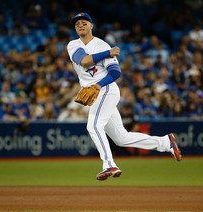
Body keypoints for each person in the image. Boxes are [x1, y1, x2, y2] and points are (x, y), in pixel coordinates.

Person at [67, 12, 182, 181]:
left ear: (91, 26)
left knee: (93, 126)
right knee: (121, 138)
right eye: (77, 24)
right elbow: (84, 61)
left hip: (106, 89)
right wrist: (108, 53)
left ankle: (109, 164)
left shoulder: (101, 44)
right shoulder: (73, 45)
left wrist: (99, 84)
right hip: (96, 92)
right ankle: (165, 142)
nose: (80, 25)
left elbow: (115, 72)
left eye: (84, 22)